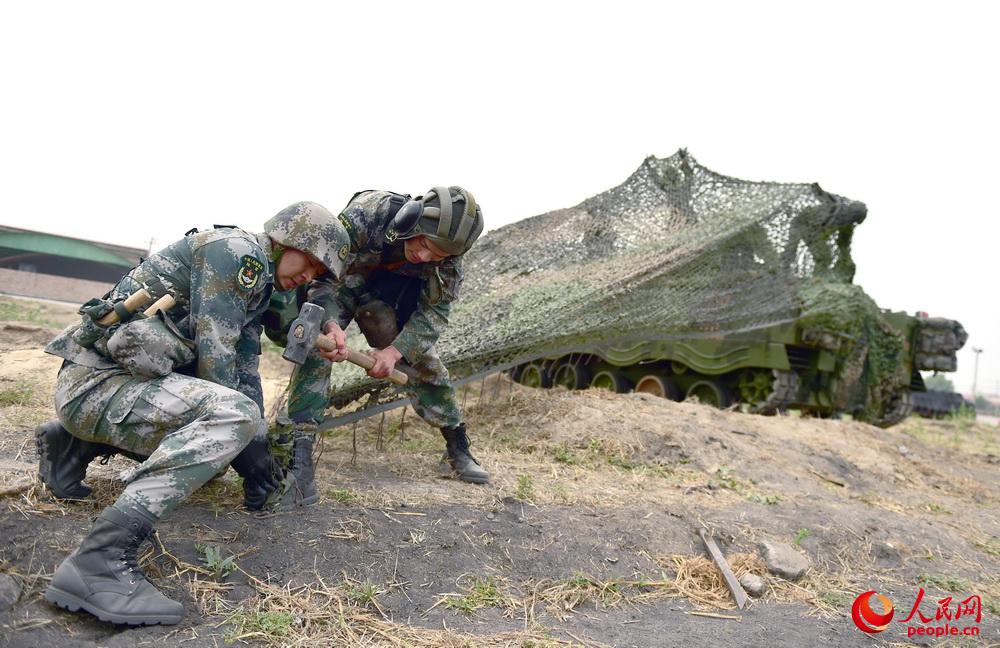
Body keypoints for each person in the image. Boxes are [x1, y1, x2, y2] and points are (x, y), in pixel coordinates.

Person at [36, 202, 349, 625]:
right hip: (95, 386)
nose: (308, 277)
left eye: (317, 274)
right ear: (288, 240)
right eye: (311, 262)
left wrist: (252, 444)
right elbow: (216, 362)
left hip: (110, 389)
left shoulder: (255, 286)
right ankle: (99, 560)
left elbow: (243, 368)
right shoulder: (237, 254)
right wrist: (247, 437)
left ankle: (72, 446)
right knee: (226, 424)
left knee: (223, 439)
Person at [265, 187, 488, 508]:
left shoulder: (450, 262)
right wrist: (329, 324)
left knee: (424, 361)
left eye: (436, 254)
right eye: (424, 244)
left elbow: (435, 313)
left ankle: (457, 445)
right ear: (412, 222)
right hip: (338, 284)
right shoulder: (369, 212)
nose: (424, 257)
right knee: (316, 349)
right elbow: (322, 271)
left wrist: (394, 352)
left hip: (387, 298)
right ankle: (297, 458)